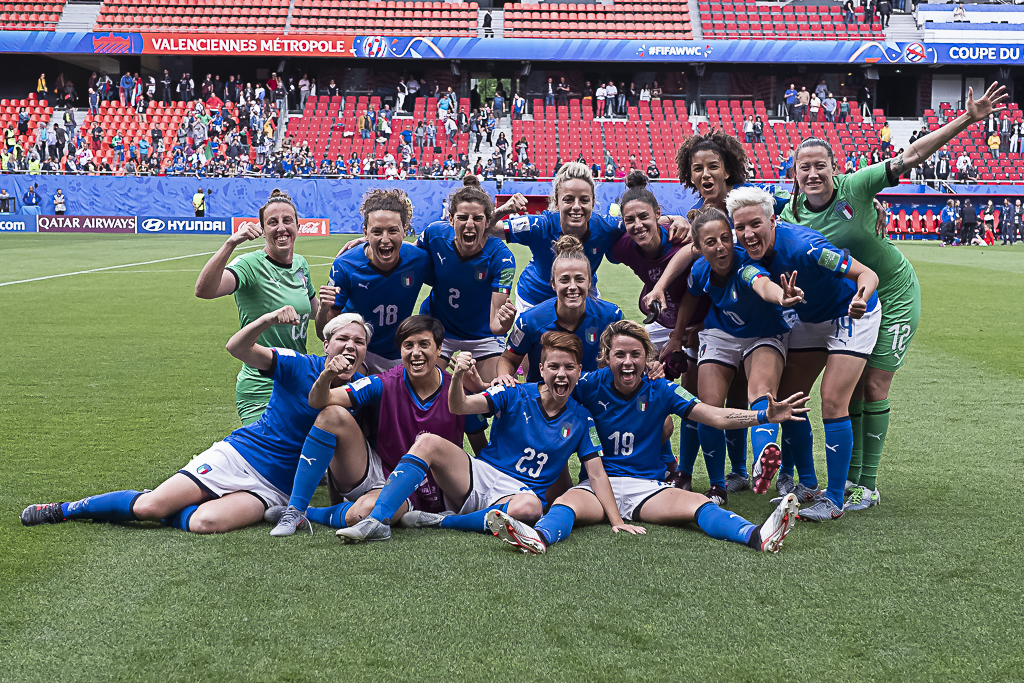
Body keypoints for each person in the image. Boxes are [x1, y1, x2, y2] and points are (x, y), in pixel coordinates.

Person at [781, 81, 1006, 510]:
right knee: (851, 389)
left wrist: (968, 119)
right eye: (803, 167)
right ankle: (847, 480)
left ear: (835, 167)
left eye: (819, 166)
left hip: (895, 290)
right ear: (793, 173)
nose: (812, 174)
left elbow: (912, 155)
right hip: (852, 302)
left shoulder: (857, 186)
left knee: (876, 384)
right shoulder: (790, 212)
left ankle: (867, 484)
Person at [20, 304, 361, 535]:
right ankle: (66, 508)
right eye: (342, 338)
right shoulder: (298, 364)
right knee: (151, 506)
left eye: (358, 341)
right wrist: (267, 321)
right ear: (326, 343)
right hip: (242, 454)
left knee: (205, 522)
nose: (350, 345)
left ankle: (181, 500)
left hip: (275, 486)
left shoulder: (366, 391)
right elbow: (237, 349)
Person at [485, 321, 808, 555]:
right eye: (620, 355)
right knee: (565, 503)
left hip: (647, 488)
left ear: (647, 358)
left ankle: (758, 535)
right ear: (606, 357)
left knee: (699, 503)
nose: (627, 363)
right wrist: (506, 386)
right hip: (598, 487)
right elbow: (550, 388)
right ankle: (535, 537)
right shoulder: (586, 384)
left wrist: (764, 416)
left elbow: (713, 415)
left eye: (636, 355)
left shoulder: (663, 388)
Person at [335, 331, 625, 544]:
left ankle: (444, 522)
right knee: (428, 442)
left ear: (579, 371)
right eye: (554, 367)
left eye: (569, 368)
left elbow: (597, 475)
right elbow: (459, 406)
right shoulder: (513, 392)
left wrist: (617, 521)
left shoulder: (582, 418)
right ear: (541, 369)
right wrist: (459, 376)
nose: (561, 375)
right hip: (480, 475)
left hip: (518, 495)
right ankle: (377, 521)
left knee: (531, 508)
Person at [731, 186, 880, 521]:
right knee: (787, 399)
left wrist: (860, 297)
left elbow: (866, 275)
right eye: (740, 227)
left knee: (832, 400)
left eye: (755, 224)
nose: (747, 234)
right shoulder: (743, 255)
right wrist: (781, 298)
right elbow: (760, 283)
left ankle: (836, 501)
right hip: (809, 318)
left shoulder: (806, 247)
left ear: (773, 220)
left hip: (852, 313)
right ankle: (809, 485)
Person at [264, 315, 488, 536]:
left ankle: (313, 513)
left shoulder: (458, 392)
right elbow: (317, 401)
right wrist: (328, 374)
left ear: (439, 350)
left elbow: (480, 447)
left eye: (424, 345)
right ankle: (296, 511)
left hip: (439, 488)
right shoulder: (384, 382)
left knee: (359, 514)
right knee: (332, 415)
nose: (415, 353)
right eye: (408, 345)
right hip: (388, 477)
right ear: (400, 351)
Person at [668, 206, 802, 505]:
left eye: (726, 238)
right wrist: (677, 335)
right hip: (721, 334)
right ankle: (717, 486)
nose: (721, 247)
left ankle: (763, 460)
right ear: (699, 248)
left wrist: (782, 296)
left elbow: (762, 284)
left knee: (760, 392)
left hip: (765, 333)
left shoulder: (745, 265)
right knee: (708, 407)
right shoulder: (700, 269)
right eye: (711, 242)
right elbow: (691, 296)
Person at [195, 189, 317, 425]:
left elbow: (316, 313)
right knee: (268, 457)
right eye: (273, 222)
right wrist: (231, 243)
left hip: (296, 380)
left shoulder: (301, 264)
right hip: (261, 387)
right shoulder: (250, 265)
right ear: (263, 230)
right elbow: (205, 291)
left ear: (298, 226)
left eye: (287, 221)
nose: (281, 228)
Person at [317, 189, 434, 374]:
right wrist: (323, 309)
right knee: (350, 398)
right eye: (377, 231)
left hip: (399, 353)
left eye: (393, 231)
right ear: (365, 232)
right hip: (359, 352)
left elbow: (450, 278)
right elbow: (324, 332)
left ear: (405, 230)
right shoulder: (346, 264)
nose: (385, 239)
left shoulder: (419, 259)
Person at [415, 177, 517, 382]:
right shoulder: (434, 234)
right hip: (438, 327)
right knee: (423, 388)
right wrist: (369, 242)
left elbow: (497, 325)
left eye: (477, 218)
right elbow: (405, 259)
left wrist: (506, 322)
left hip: (483, 334)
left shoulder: (503, 259)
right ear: (451, 219)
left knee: (493, 392)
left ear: (488, 221)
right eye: (462, 217)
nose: (469, 225)